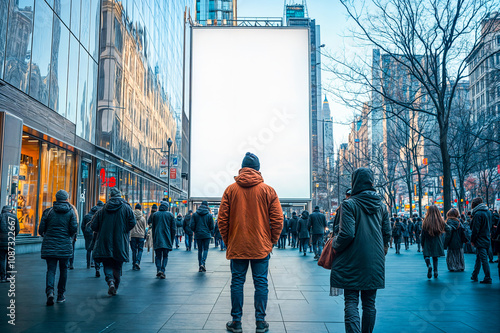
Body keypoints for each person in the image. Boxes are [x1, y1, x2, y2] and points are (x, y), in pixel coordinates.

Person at [218, 152, 283, 333]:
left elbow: (222, 220)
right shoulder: (268, 190)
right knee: (261, 283)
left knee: (237, 282)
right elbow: (278, 220)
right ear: (258, 169)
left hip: (238, 244)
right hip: (261, 247)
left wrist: (229, 240)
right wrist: (271, 242)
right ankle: (260, 322)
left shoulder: (230, 190)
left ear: (242, 168)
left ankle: (236, 322)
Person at [330, 168, 391, 333]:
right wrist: (381, 252)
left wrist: (334, 244)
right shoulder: (382, 206)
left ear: (355, 182)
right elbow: (387, 233)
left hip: (352, 259)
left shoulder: (349, 204)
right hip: (375, 260)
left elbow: (347, 234)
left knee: (351, 301)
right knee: (369, 303)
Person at [91, 188, 136, 296]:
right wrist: (124, 230)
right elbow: (132, 222)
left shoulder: (102, 209)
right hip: (120, 241)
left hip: (105, 240)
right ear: (120, 195)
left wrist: (102, 230)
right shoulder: (126, 208)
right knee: (117, 264)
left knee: (107, 262)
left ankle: (110, 281)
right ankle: (115, 285)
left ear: (110, 196)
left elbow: (93, 225)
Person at [38, 190, 78, 305]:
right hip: (64, 245)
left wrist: (46, 235)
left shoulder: (48, 211)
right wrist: (67, 237)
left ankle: (50, 292)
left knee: (51, 270)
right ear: (66, 199)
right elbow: (73, 229)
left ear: (56, 198)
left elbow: (41, 230)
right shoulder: (71, 212)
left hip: (50, 245)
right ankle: (61, 295)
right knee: (64, 269)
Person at [470, 197, 492, 284]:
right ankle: (474, 275)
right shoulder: (488, 212)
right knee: (479, 258)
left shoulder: (477, 214)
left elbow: (475, 229)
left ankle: (488, 277)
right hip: (486, 238)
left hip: (480, 239)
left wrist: (473, 240)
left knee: (483, 259)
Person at [151, 201, 175, 278]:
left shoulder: (155, 215)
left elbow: (153, 228)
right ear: (167, 207)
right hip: (167, 238)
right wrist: (171, 240)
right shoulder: (170, 215)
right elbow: (173, 229)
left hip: (157, 238)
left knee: (158, 256)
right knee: (165, 256)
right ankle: (163, 270)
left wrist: (153, 238)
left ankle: (158, 269)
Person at [421, 205, 445, 279]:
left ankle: (429, 265)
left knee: (426, 255)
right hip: (437, 241)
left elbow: (423, 234)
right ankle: (435, 271)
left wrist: (422, 244)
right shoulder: (440, 221)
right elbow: (448, 228)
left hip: (427, 241)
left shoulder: (425, 221)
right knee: (435, 257)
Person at [82, 201, 104, 276]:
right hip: (97, 233)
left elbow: (82, 226)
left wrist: (84, 233)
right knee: (97, 249)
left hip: (88, 232)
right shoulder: (101, 213)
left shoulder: (87, 215)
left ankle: (88, 263)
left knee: (89, 249)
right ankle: (96, 264)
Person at [191, 201, 214, 272]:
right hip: (206, 234)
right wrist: (208, 230)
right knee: (206, 249)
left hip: (198, 234)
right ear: (207, 206)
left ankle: (200, 264)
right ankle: (203, 263)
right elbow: (212, 226)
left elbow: (191, 225)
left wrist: (195, 230)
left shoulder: (195, 214)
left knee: (199, 250)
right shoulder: (209, 215)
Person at [0, 206, 20, 283]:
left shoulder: (0, 216)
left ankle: (2, 277)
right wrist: (12, 236)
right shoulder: (14, 217)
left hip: (1, 242)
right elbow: (17, 230)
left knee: (1, 259)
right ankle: (8, 276)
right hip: (10, 242)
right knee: (10, 260)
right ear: (10, 210)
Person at [130, 203, 147, 270]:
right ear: (140, 209)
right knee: (140, 250)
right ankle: (137, 261)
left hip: (133, 235)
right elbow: (144, 227)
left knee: (134, 251)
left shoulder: (132, 217)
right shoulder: (143, 218)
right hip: (141, 236)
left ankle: (134, 265)